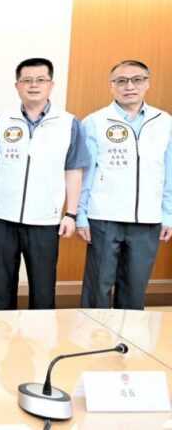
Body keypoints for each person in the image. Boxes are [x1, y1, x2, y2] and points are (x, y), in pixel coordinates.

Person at [0, 57, 88, 310]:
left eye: (41, 80)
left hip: (45, 220)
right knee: (2, 287)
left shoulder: (68, 123)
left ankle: (42, 333)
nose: (34, 85)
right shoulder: (2, 122)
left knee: (43, 289)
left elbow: (74, 170)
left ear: (51, 84)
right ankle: (1, 332)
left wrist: (71, 214)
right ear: (17, 86)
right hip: (4, 218)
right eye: (27, 80)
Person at [76, 60, 172, 310]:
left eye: (137, 79)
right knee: (98, 286)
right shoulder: (95, 122)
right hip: (104, 217)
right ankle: (93, 332)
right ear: (112, 86)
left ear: (147, 83)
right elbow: (85, 173)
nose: (129, 86)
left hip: (147, 219)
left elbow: (169, 173)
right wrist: (80, 215)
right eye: (121, 81)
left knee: (134, 287)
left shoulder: (165, 122)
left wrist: (168, 215)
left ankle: (130, 333)